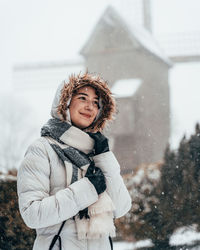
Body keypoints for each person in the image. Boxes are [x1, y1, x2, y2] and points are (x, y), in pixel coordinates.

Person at [17, 72, 131, 250]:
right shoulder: (42, 149)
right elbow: (33, 214)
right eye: (83, 98)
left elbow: (121, 207)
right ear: (65, 102)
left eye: (96, 102)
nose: (90, 107)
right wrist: (88, 189)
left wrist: (105, 157)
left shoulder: (97, 153)